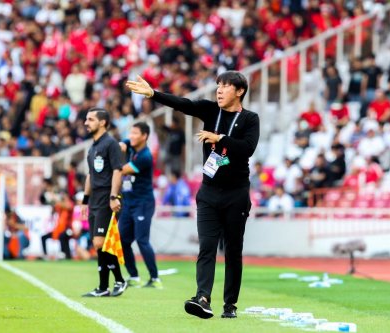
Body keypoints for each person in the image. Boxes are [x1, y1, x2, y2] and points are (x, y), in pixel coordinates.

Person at [126, 70, 260, 319]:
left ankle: (230, 304)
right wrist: (153, 93)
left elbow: (247, 149)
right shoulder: (211, 111)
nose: (219, 90)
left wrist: (219, 138)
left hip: (236, 194)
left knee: (232, 250)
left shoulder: (250, 119)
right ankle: (202, 298)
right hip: (208, 192)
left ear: (240, 91)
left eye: (226, 86)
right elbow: (184, 104)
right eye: (218, 85)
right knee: (206, 247)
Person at [81, 107, 127, 297]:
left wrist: (113, 197)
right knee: (97, 243)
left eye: (90, 119)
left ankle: (119, 280)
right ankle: (102, 288)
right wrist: (84, 200)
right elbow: (91, 175)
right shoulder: (92, 147)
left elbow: (118, 170)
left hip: (107, 197)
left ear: (102, 122)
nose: (86, 122)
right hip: (94, 199)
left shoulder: (110, 144)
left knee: (101, 242)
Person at [118, 122, 162, 289]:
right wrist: (122, 144)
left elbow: (123, 170)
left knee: (142, 240)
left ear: (144, 136)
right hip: (128, 202)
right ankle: (134, 276)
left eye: (135, 133)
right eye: (131, 132)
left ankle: (155, 278)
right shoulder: (131, 146)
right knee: (123, 240)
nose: (131, 136)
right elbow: (123, 143)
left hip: (143, 203)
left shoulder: (145, 156)